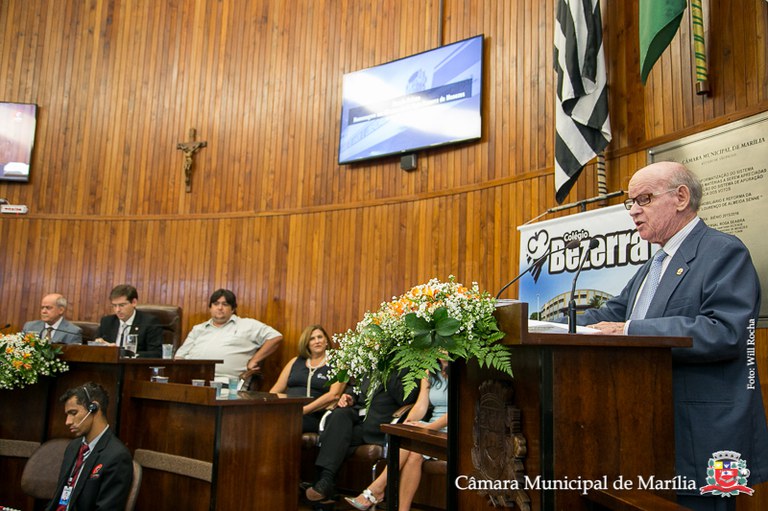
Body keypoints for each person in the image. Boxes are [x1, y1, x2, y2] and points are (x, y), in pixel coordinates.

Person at [578, 161, 768, 511]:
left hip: (702, 438)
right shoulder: (654, 265)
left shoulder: (723, 252)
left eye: (644, 199)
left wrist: (631, 331)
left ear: (681, 197)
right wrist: (550, 325)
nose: (633, 211)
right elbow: (610, 315)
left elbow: (724, 331)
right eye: (630, 202)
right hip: (648, 433)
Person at [345, 360, 448, 511]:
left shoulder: (463, 371)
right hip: (430, 427)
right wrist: (408, 423)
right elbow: (421, 405)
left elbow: (459, 409)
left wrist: (430, 428)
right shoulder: (430, 370)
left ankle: (376, 489)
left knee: (415, 449)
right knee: (413, 450)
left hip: (452, 427)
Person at [305, 371, 418, 503]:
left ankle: (325, 480)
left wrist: (386, 371)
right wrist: (349, 396)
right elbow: (357, 387)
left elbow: (407, 397)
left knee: (337, 437)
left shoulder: (408, 363)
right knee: (339, 415)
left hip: (379, 424)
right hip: (357, 419)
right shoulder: (371, 361)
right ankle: (326, 480)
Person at [47, 382, 133, 511]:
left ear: (94, 408)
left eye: (73, 413)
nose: (68, 421)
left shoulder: (117, 456)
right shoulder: (73, 447)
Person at [174, 288, 283, 383]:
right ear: (210, 308)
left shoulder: (247, 325)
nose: (220, 308)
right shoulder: (198, 329)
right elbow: (179, 357)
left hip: (225, 384)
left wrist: (254, 360)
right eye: (216, 304)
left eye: (225, 304)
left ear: (233, 309)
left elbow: (275, 337)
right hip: (191, 382)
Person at [269, 324, 346, 432]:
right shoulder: (294, 362)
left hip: (314, 415)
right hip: (289, 411)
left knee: (283, 424)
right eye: (312, 339)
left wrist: (303, 410)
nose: (317, 341)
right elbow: (274, 392)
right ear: (306, 343)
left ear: (326, 341)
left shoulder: (338, 364)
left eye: (320, 337)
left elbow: (334, 395)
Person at [94, 284, 163, 357]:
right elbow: (96, 344)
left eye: (122, 305)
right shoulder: (107, 321)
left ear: (134, 302)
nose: (117, 310)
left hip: (134, 366)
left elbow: (156, 353)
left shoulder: (149, 322)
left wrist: (124, 353)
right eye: (114, 306)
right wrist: (98, 344)